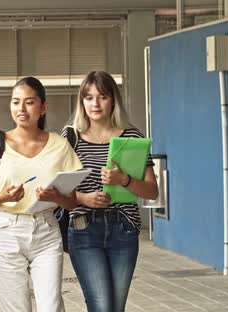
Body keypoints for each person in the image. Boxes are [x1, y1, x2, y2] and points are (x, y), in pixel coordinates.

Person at [0, 77, 82, 312]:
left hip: (46, 231)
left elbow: (72, 202)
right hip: (7, 232)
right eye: (15, 102)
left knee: (51, 307)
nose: (21, 109)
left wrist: (56, 198)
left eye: (29, 102)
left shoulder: (60, 145)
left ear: (43, 107)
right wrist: (3, 198)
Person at [65, 71, 159, 312]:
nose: (95, 104)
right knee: (102, 306)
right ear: (81, 101)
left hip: (124, 229)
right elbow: (55, 192)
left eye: (102, 97)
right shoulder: (70, 137)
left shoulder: (132, 137)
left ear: (113, 100)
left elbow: (151, 191)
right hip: (84, 228)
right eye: (88, 97)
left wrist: (124, 179)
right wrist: (84, 198)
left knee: (115, 308)